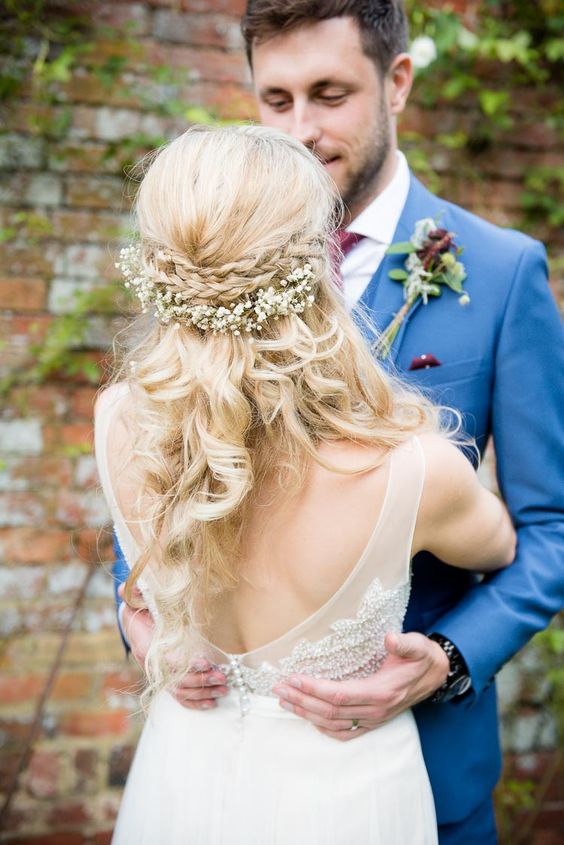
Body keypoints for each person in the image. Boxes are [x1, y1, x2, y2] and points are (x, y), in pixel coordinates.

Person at [111, 2, 564, 842]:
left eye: (329, 93)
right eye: (275, 100)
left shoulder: (500, 274)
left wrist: (449, 657)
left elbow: (551, 528)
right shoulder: (208, 257)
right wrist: (140, 619)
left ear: (397, 83)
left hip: (420, 762)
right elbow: (154, 464)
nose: (302, 129)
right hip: (216, 763)